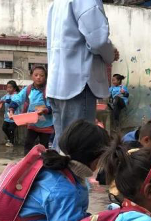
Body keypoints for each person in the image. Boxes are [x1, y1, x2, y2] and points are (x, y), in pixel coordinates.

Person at [47, 0, 119, 147]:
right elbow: (98, 40)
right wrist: (110, 54)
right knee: (79, 147)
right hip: (78, 84)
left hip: (58, 84)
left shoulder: (57, 3)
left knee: (62, 146)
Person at [8, 66, 54, 155]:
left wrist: (44, 110)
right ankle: (27, 161)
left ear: (46, 77)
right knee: (28, 145)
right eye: (36, 75)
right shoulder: (28, 89)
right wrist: (11, 110)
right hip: (32, 124)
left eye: (42, 75)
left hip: (46, 125)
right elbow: (17, 99)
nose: (38, 77)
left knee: (44, 148)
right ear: (31, 76)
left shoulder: (49, 90)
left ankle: (43, 163)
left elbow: (53, 106)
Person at [0, 80, 20, 147]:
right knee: (4, 128)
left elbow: (10, 101)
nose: (8, 89)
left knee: (11, 129)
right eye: (7, 87)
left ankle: (11, 142)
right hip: (7, 116)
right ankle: (10, 139)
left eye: (10, 87)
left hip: (14, 116)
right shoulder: (6, 95)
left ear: (14, 88)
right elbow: (1, 99)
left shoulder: (16, 95)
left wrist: (4, 101)